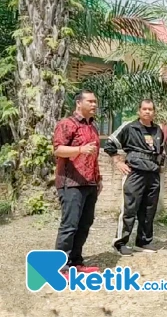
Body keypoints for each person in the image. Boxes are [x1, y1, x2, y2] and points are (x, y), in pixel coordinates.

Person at [104, 99, 166, 256]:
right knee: (129, 208)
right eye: (144, 109)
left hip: (153, 174)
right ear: (139, 111)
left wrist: (160, 167)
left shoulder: (158, 130)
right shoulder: (129, 127)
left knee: (149, 210)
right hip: (135, 173)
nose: (147, 112)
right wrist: (118, 162)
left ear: (154, 112)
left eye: (150, 109)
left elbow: (162, 151)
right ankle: (120, 243)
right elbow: (110, 144)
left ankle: (143, 242)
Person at [53, 89, 102, 278]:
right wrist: (80, 149)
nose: (94, 104)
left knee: (85, 223)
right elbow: (58, 150)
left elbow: (94, 155)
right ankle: (60, 267)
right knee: (70, 225)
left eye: (95, 101)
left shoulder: (92, 127)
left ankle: (75, 262)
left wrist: (99, 178)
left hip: (90, 183)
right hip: (71, 182)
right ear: (78, 103)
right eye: (90, 101)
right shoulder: (67, 124)